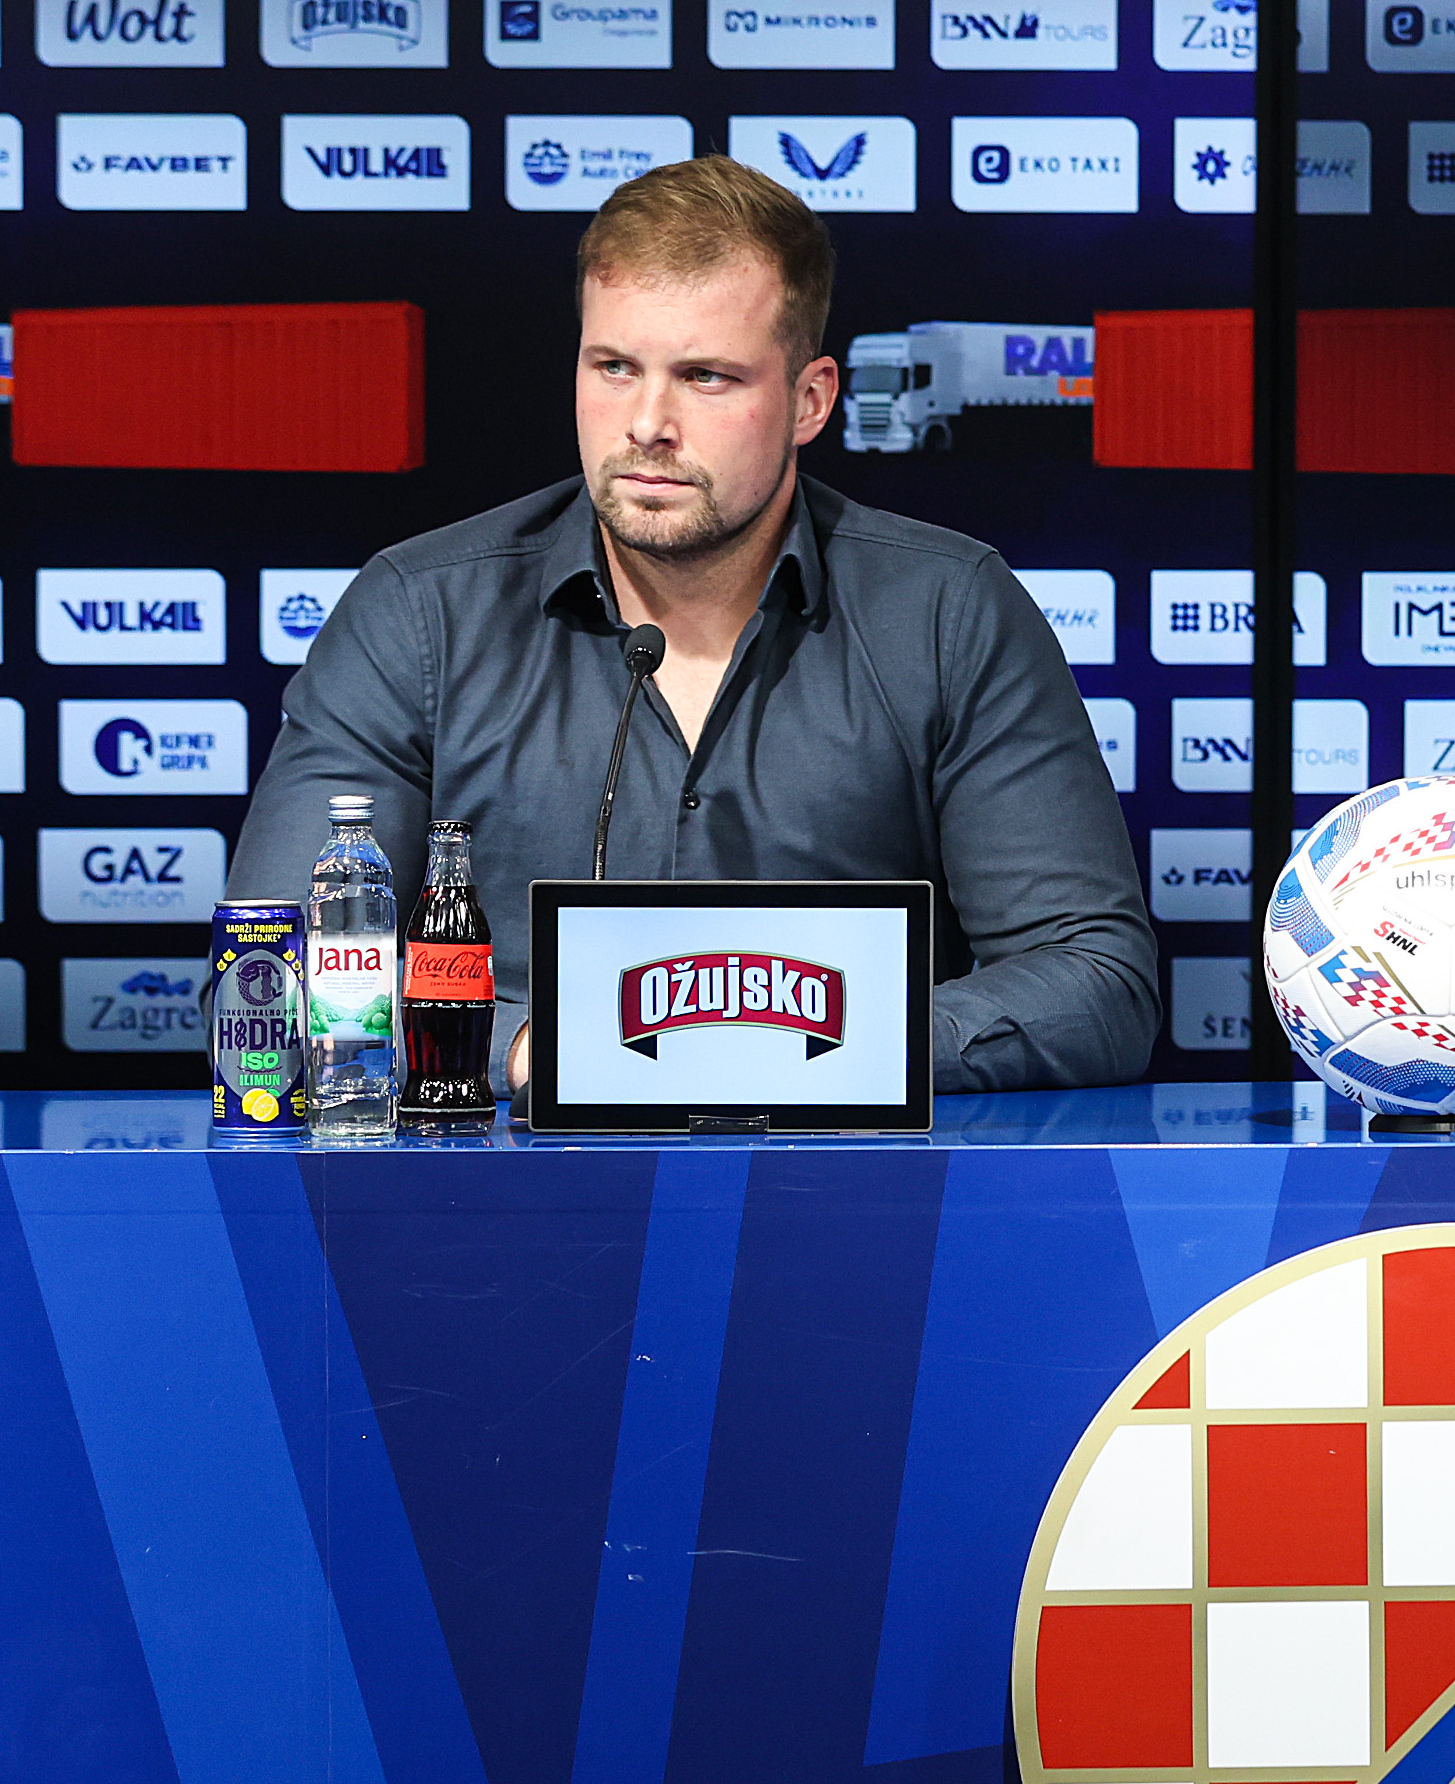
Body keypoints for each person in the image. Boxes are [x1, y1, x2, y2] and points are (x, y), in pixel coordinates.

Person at [230, 155, 1157, 1092]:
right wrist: (541, 1054)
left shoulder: (948, 611)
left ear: (810, 401)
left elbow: (1097, 982)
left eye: (705, 376)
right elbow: (272, 980)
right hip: (505, 1174)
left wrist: (804, 1053)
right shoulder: (419, 612)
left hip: (846, 1176)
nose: (647, 423)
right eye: (614, 367)